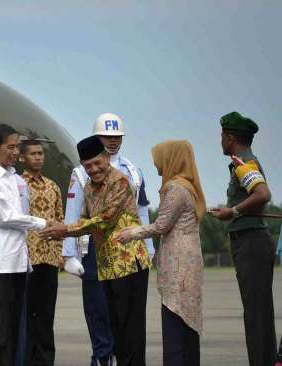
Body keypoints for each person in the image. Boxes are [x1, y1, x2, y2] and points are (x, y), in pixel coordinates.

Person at [42, 135, 152, 366]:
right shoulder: (89, 188)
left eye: (97, 163)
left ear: (106, 157)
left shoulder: (120, 182)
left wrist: (66, 230)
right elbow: (83, 218)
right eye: (87, 166)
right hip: (107, 267)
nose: (93, 169)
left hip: (129, 264)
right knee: (115, 328)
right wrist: (57, 227)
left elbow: (104, 220)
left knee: (131, 329)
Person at [116, 140, 205, 366]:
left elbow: (161, 226)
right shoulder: (189, 185)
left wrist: (132, 233)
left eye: (159, 158)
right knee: (187, 326)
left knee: (175, 322)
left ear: (171, 158)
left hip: (178, 263)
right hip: (188, 259)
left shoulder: (176, 187)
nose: (156, 164)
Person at [0, 124, 48, 366]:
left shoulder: (13, 177)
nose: (16, 152)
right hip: (0, 262)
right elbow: (5, 217)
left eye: (17, 146)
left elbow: (19, 214)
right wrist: (43, 224)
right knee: (0, 331)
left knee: (15, 329)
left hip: (17, 260)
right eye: (11, 147)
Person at [210, 111, 277, 366]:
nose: (220, 141)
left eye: (221, 135)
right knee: (258, 313)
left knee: (256, 315)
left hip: (251, 243)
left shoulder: (243, 163)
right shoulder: (244, 161)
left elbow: (263, 194)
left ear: (229, 137)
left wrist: (233, 211)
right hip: (251, 242)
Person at [20, 139, 64, 366]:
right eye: (33, 154)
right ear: (22, 158)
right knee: (27, 315)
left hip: (49, 259)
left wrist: (61, 255)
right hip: (27, 259)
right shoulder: (17, 185)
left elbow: (61, 220)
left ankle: (46, 360)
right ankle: (27, 359)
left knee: (46, 315)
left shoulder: (53, 186)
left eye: (40, 153)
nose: (38, 157)